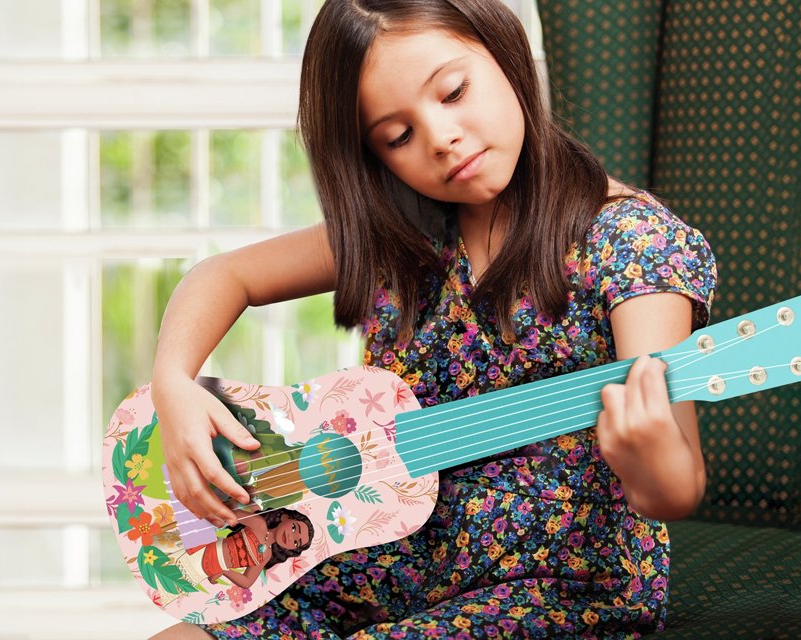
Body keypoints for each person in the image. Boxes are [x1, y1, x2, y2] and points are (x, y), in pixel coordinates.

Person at [149, 0, 716, 638]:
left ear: (505, 54)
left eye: (453, 92)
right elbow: (223, 275)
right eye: (398, 136)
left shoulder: (632, 243)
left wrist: (653, 462)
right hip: (391, 560)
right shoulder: (401, 231)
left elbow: (676, 484)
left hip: (557, 585)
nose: (440, 137)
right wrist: (173, 383)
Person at [174, 508, 315, 590]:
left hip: (211, 569)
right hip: (205, 549)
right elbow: (228, 513)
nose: (291, 538)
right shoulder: (259, 524)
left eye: (296, 542)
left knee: (171, 587)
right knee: (168, 562)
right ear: (285, 517)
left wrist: (224, 571)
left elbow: (247, 582)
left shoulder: (266, 555)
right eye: (293, 528)